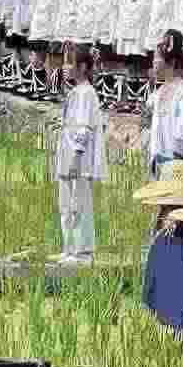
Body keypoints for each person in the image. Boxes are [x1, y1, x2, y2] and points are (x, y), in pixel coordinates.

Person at [52, 44, 102, 264]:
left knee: (79, 203)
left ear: (81, 67)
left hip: (78, 158)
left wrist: (76, 156)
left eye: (70, 62)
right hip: (67, 154)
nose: (65, 67)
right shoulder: (75, 92)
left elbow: (84, 128)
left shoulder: (86, 93)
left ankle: (83, 251)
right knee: (66, 203)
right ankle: (69, 247)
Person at [145, 32, 183, 175]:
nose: (153, 63)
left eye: (156, 58)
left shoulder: (182, 92)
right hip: (158, 157)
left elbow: (182, 128)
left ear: (172, 62)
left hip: (175, 162)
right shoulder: (159, 92)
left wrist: (175, 163)